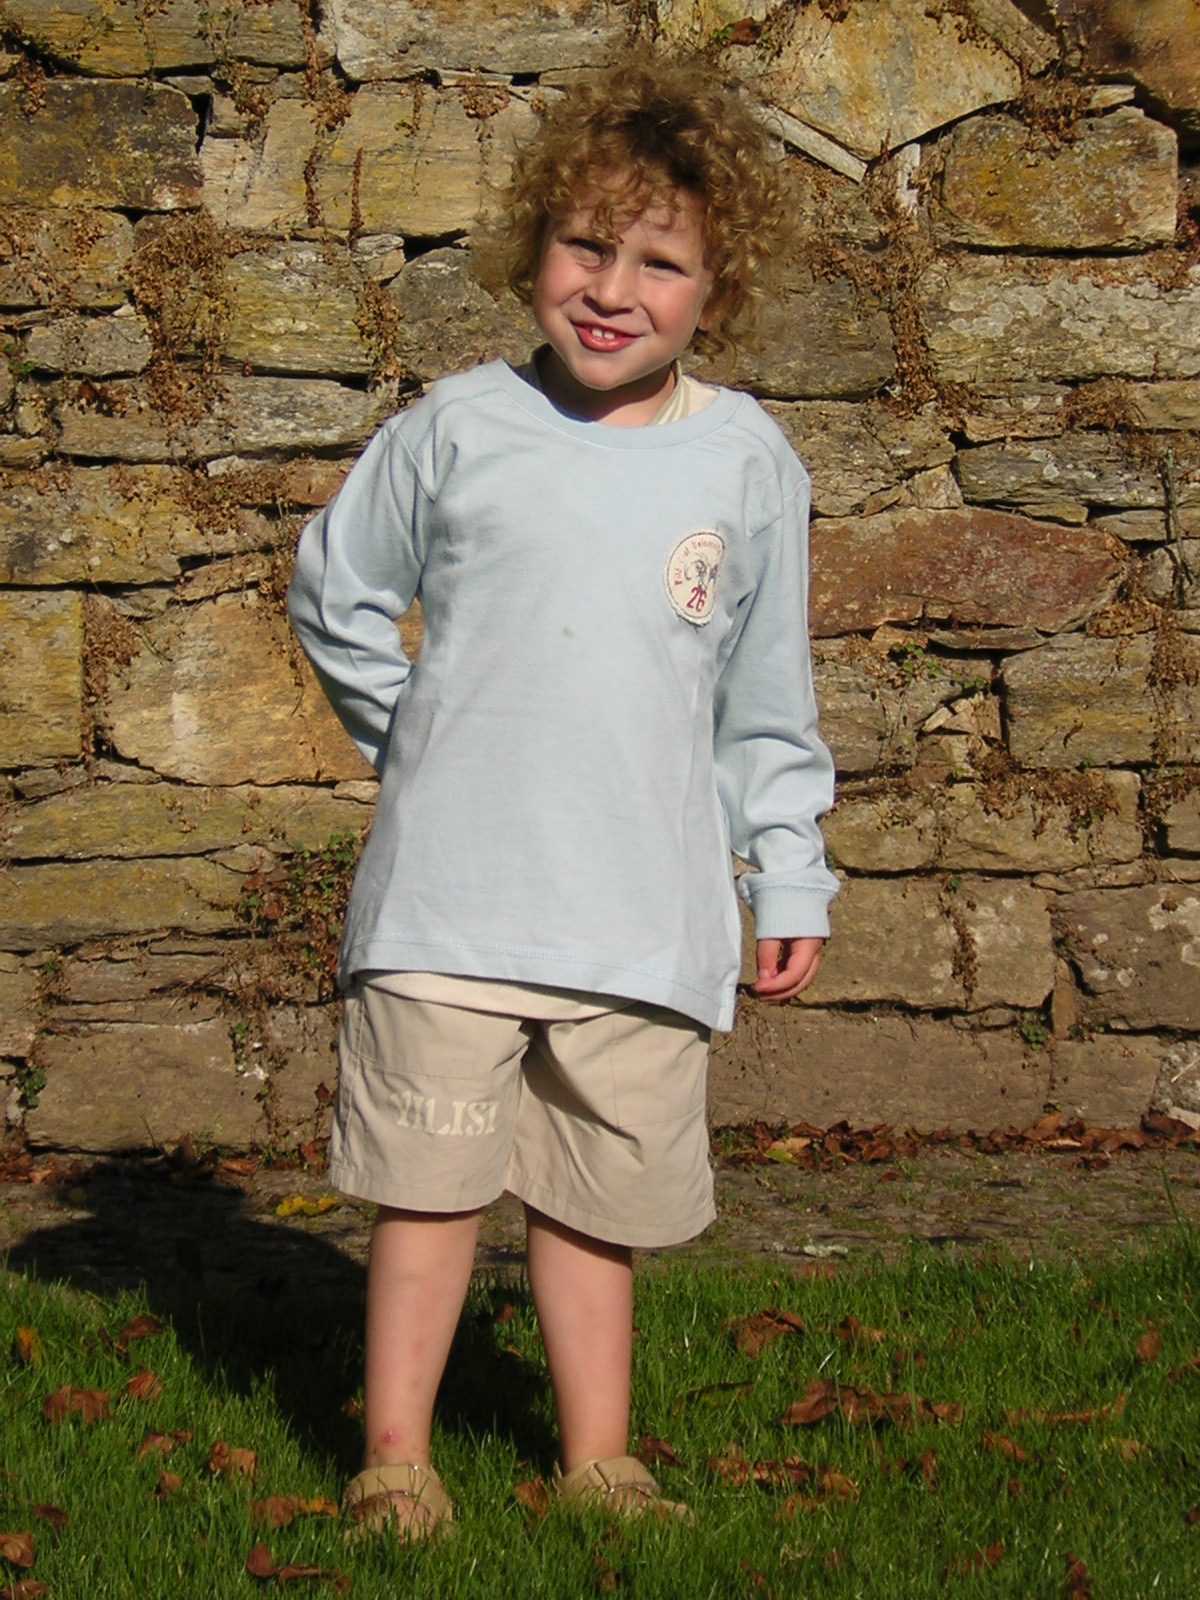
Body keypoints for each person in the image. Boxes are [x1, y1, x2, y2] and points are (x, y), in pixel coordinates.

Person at [287, 51, 839, 1538]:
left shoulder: (745, 462)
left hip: (642, 917)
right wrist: (420, 736)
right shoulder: (457, 429)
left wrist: (786, 870)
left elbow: (764, 700)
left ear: (715, 290)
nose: (611, 289)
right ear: (533, 245)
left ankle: (598, 1459)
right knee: (429, 1190)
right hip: (449, 908)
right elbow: (337, 593)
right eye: (586, 245)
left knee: (598, 1204)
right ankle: (395, 1460)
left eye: (660, 264)